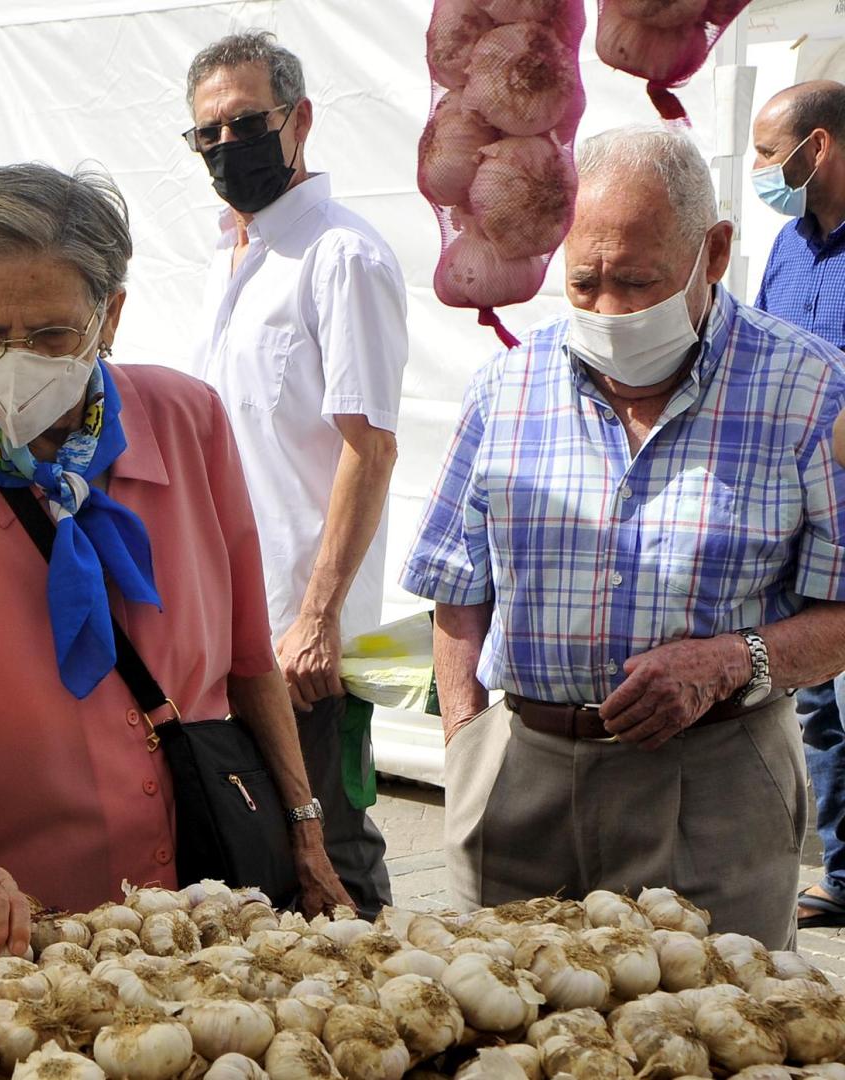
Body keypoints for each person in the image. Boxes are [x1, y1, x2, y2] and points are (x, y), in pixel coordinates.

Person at [0, 162, 351, 959]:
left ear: (110, 315)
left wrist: (306, 828)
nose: (16, 360)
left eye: (53, 335)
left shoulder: (189, 423)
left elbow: (246, 660)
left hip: (198, 917)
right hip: (4, 943)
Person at [402, 124, 845, 950]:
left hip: (712, 784)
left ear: (712, 255)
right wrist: (467, 744)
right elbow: (456, 587)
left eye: (637, 282)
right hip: (520, 776)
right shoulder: (507, 385)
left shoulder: (811, 391)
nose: (608, 310)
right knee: (501, 1036)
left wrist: (727, 663)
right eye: (584, 283)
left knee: (710, 1033)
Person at [182, 30, 402, 915]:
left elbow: (370, 446)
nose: (228, 147)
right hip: (234, 620)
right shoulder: (228, 257)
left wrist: (318, 617)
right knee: (260, 847)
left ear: (299, 120)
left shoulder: (342, 256)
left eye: (247, 123)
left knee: (332, 846)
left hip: (307, 640)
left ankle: (391, 1018)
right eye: (209, 134)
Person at [750, 79, 845, 931]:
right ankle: (844, 873)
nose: (757, 169)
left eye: (766, 152)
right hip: (797, 514)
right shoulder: (785, 245)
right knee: (815, 701)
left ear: (816, 149)